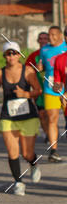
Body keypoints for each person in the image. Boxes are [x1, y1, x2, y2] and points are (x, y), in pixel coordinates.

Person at [0, 42, 42, 195]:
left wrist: (26, 94)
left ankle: (33, 164)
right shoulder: (0, 73)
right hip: (8, 116)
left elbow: (38, 90)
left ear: (19, 55)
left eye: (14, 53)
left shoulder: (28, 71)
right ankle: (18, 182)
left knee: (27, 153)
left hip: (28, 117)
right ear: (4, 56)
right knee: (12, 152)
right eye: (8, 53)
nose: (11, 56)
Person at [39, 25, 67, 162]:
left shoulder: (65, 47)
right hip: (51, 88)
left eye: (53, 34)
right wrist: (40, 68)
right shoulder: (44, 50)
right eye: (49, 35)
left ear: (61, 35)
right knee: (52, 119)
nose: (50, 37)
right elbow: (43, 66)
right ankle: (53, 151)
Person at [25, 31, 50, 142]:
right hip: (39, 90)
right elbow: (26, 72)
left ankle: (53, 131)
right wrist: (35, 68)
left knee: (51, 114)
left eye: (45, 38)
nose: (43, 40)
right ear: (38, 41)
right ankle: (48, 135)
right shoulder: (33, 56)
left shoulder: (55, 53)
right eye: (41, 38)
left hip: (53, 89)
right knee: (42, 114)